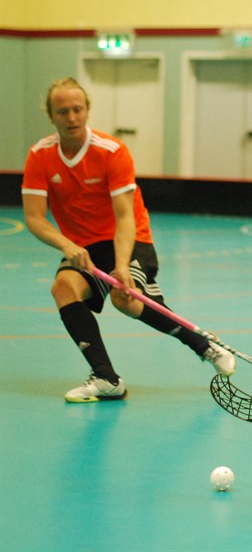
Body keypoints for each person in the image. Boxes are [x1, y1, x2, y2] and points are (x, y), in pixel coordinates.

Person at [21, 78, 236, 403]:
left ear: (87, 110)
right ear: (51, 116)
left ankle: (204, 345)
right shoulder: (40, 155)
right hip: (83, 247)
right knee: (63, 288)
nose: (71, 117)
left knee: (126, 300)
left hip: (130, 240)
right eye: (63, 111)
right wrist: (66, 245)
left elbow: (125, 217)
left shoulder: (111, 151)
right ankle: (106, 378)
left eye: (78, 109)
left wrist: (121, 265)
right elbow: (35, 218)